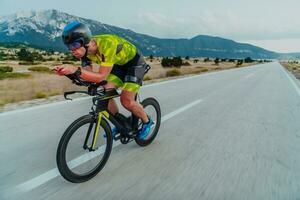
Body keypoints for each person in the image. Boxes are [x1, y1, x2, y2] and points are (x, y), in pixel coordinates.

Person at [54, 21, 153, 140]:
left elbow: (101, 76)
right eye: (69, 47)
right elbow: (88, 76)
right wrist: (70, 74)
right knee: (105, 91)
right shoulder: (84, 53)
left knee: (126, 101)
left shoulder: (107, 45)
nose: (72, 50)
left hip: (135, 64)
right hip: (118, 65)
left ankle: (147, 122)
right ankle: (119, 122)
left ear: (85, 41)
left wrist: (75, 69)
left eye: (74, 45)